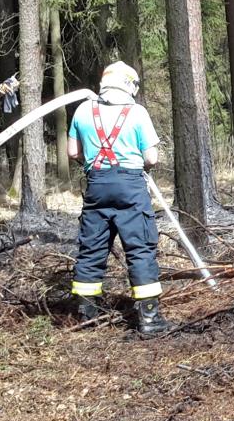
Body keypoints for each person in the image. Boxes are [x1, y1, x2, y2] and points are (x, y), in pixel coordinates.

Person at [68, 62, 170, 334]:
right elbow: (151, 157)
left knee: (91, 250)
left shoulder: (82, 110)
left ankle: (86, 315)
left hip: (97, 186)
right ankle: (149, 319)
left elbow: (72, 152)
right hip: (131, 187)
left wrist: (94, 162)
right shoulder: (137, 113)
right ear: (130, 86)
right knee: (140, 249)